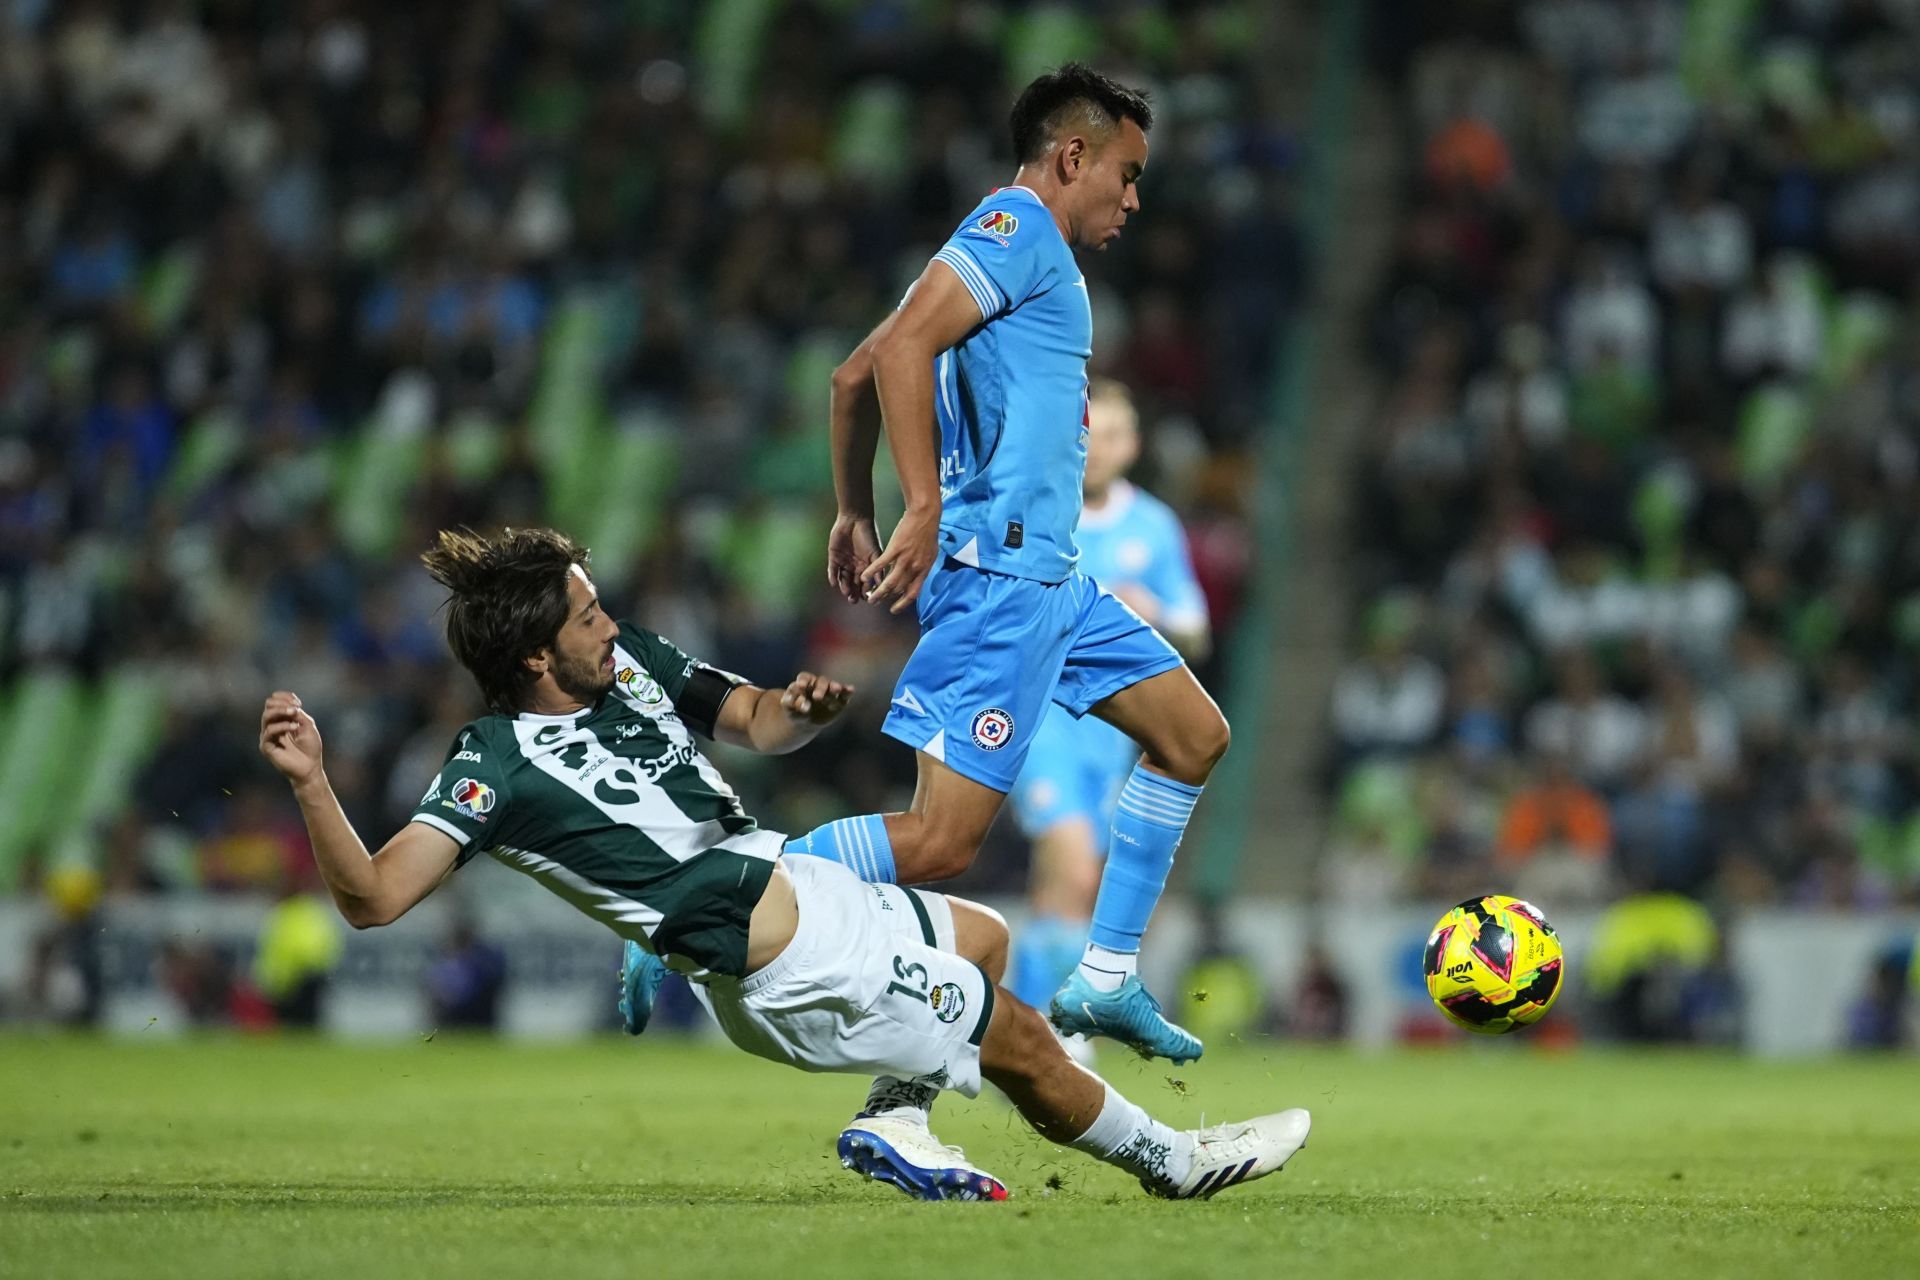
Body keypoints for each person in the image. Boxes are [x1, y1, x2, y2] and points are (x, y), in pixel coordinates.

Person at [258, 527, 1310, 1201]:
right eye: (586, 616)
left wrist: (796, 711)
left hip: (795, 885)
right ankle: (1171, 1161)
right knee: (1016, 1035)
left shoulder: (632, 667)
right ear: (534, 656)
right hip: (773, 955)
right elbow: (375, 896)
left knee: (987, 938)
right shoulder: (491, 764)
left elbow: (753, 719)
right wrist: (313, 780)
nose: (608, 622)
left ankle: (895, 1119)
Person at [791, 62, 1229, 1065]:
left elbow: (853, 370)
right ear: (1072, 156)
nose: (1131, 198)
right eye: (1125, 173)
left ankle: (1105, 978)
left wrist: (855, 506)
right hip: (1002, 579)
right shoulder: (1017, 227)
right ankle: (718, 890)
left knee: (1194, 734)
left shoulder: (979, 255)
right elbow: (895, 357)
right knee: (942, 843)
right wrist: (919, 505)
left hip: (1056, 582)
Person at [1003, 378, 1210, 1029]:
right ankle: (1051, 1033)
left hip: (1113, 737)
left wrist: (1154, 612)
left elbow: (1196, 629)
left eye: (1114, 434)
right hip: (1038, 724)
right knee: (1073, 864)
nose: (1097, 448)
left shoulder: (1153, 527)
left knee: (1064, 889)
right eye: (1088, 432)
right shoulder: (1037, 513)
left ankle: (1022, 1030)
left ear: (1134, 446)